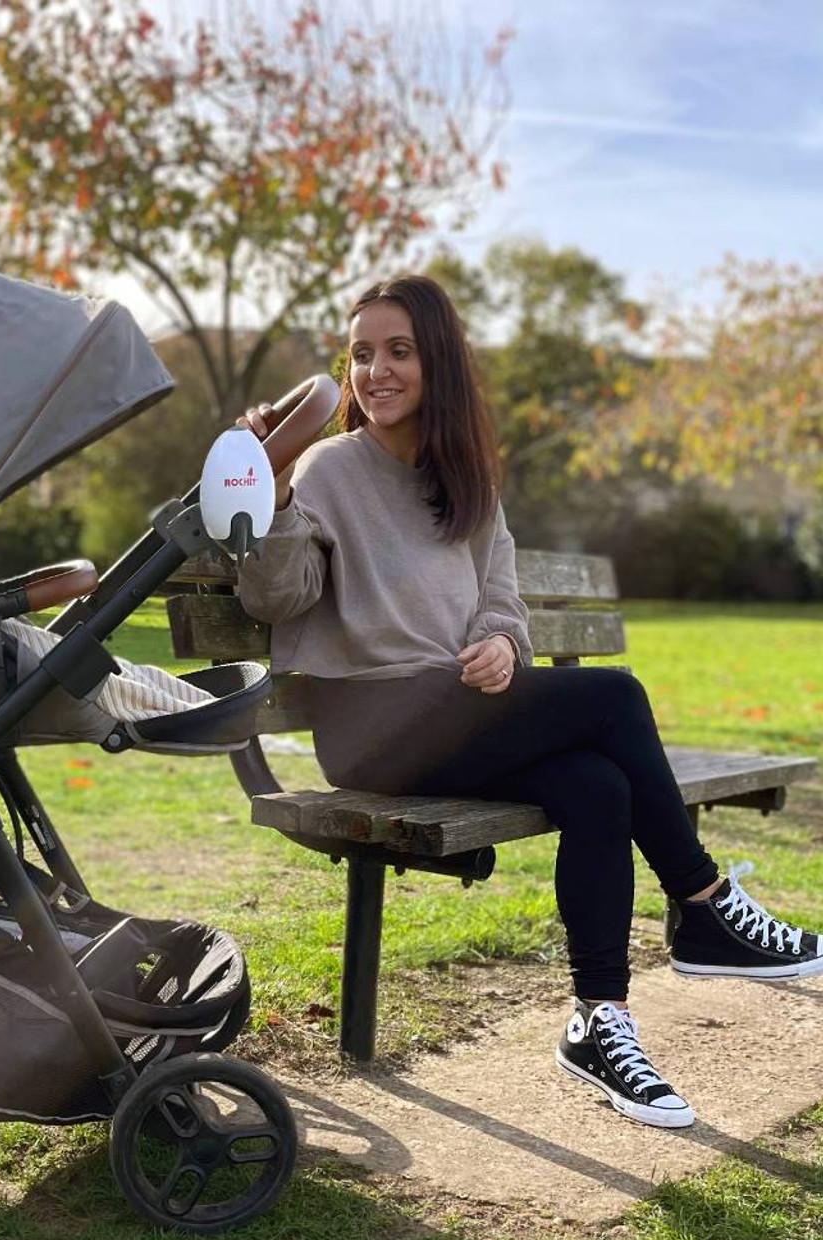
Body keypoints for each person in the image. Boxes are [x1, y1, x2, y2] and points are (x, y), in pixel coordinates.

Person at [235, 275, 822, 1129]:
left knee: (598, 787)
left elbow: (502, 599)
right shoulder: (328, 467)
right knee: (616, 696)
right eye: (361, 354)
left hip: (453, 718)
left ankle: (599, 1020)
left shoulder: (466, 480)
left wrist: (504, 646)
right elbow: (276, 598)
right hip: (371, 730)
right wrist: (280, 490)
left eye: (399, 351)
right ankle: (702, 902)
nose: (376, 371)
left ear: (438, 363)